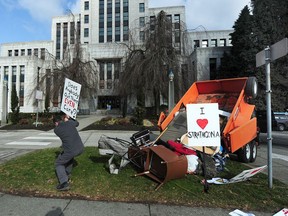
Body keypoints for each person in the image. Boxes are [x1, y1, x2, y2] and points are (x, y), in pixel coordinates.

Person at [53, 112, 84, 191]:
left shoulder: (56, 130)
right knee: (67, 157)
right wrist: (69, 118)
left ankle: (64, 183)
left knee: (58, 163)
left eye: (54, 124)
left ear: (56, 123)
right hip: (80, 148)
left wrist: (66, 121)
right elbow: (77, 123)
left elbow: (62, 128)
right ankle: (67, 173)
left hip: (71, 150)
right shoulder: (70, 123)